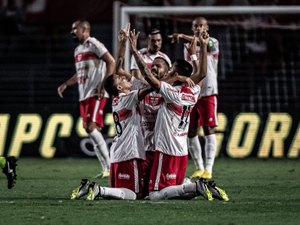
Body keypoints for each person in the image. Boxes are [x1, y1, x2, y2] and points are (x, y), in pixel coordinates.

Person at [131, 29, 228, 201]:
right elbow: (202, 74)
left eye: (169, 71)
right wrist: (200, 50)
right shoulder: (193, 91)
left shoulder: (170, 91)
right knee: (172, 190)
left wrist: (133, 51)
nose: (165, 73)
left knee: (153, 195)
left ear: (175, 74)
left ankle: (196, 186)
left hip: (166, 149)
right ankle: (192, 185)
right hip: (181, 151)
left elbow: (148, 77)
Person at [57, 20, 114, 180]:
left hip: (96, 93)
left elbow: (111, 62)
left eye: (75, 29)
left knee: (90, 127)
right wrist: (66, 84)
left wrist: (104, 85)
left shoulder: (93, 43)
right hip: (85, 95)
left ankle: (110, 166)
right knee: (88, 128)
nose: (72, 32)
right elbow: (80, 74)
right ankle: (105, 168)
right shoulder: (78, 50)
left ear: (84, 29)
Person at [169, 17, 219, 179]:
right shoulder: (187, 46)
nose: (198, 28)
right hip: (192, 92)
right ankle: (199, 167)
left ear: (207, 27)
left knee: (208, 128)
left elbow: (203, 44)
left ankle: (209, 169)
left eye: (201, 25)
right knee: (190, 130)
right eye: (195, 26)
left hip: (208, 91)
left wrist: (182, 35)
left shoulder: (213, 42)